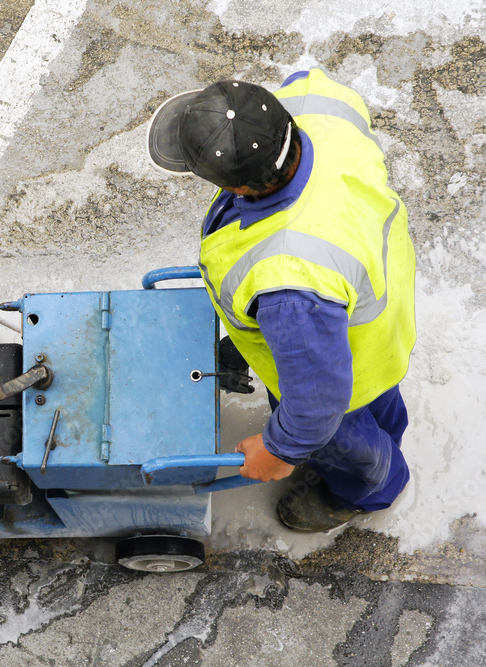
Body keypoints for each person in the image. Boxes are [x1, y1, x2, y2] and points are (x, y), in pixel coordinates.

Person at [147, 69, 416, 533]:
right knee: (382, 403)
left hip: (341, 362)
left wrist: (280, 451)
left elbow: (316, 404)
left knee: (346, 443)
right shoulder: (316, 100)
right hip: (374, 307)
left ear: (239, 188)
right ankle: (383, 437)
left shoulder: (288, 282)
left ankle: (368, 493)